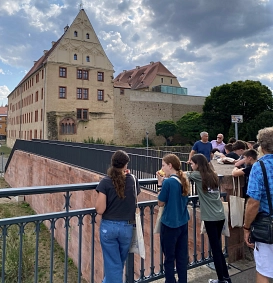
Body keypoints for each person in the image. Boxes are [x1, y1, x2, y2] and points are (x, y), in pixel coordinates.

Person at [95, 150, 140, 283]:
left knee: (113, 264)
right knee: (118, 263)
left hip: (109, 227)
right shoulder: (132, 179)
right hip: (127, 227)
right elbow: (134, 196)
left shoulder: (105, 182)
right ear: (125, 165)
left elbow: (100, 209)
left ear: (112, 163)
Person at [187, 154, 232, 283]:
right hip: (219, 215)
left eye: (192, 164)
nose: (191, 166)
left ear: (197, 164)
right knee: (218, 248)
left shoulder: (197, 175)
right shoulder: (213, 175)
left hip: (210, 217)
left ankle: (221, 279)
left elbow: (184, 175)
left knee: (216, 250)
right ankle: (226, 277)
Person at [243, 127, 273, 283]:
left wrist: (246, 227)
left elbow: (253, 202)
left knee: (263, 270)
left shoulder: (259, 166)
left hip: (267, 226)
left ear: (262, 146)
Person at [156, 154, 190, 283]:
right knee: (181, 257)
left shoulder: (169, 182)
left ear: (170, 166)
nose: (162, 167)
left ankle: (170, 280)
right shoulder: (183, 179)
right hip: (183, 222)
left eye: (163, 165)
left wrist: (160, 183)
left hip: (170, 223)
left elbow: (160, 202)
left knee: (169, 258)